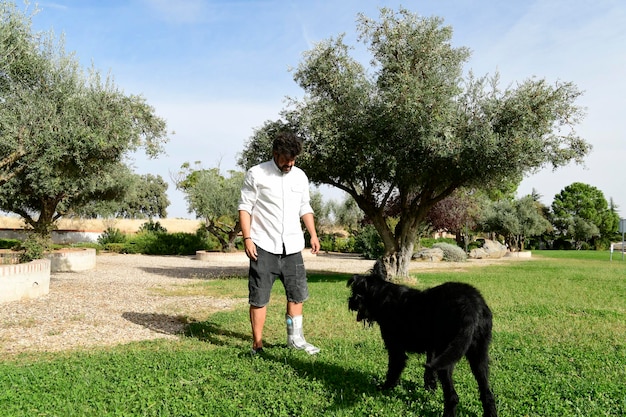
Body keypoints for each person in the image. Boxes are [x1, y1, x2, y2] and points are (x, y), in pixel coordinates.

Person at [238, 131, 321, 355]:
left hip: (293, 246)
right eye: (286, 159)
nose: (290, 164)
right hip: (263, 245)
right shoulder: (257, 174)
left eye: (294, 159)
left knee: (297, 294)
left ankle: (295, 340)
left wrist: (313, 234)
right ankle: (257, 345)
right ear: (275, 153)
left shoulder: (300, 176)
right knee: (259, 297)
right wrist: (247, 238)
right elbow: (245, 207)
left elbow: (305, 207)